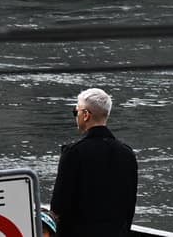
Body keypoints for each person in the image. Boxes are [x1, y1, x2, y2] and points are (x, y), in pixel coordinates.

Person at [48, 87, 138, 237]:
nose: (76, 116)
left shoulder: (73, 153)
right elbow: (129, 205)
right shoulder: (127, 153)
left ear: (85, 115)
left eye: (76, 112)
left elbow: (59, 207)